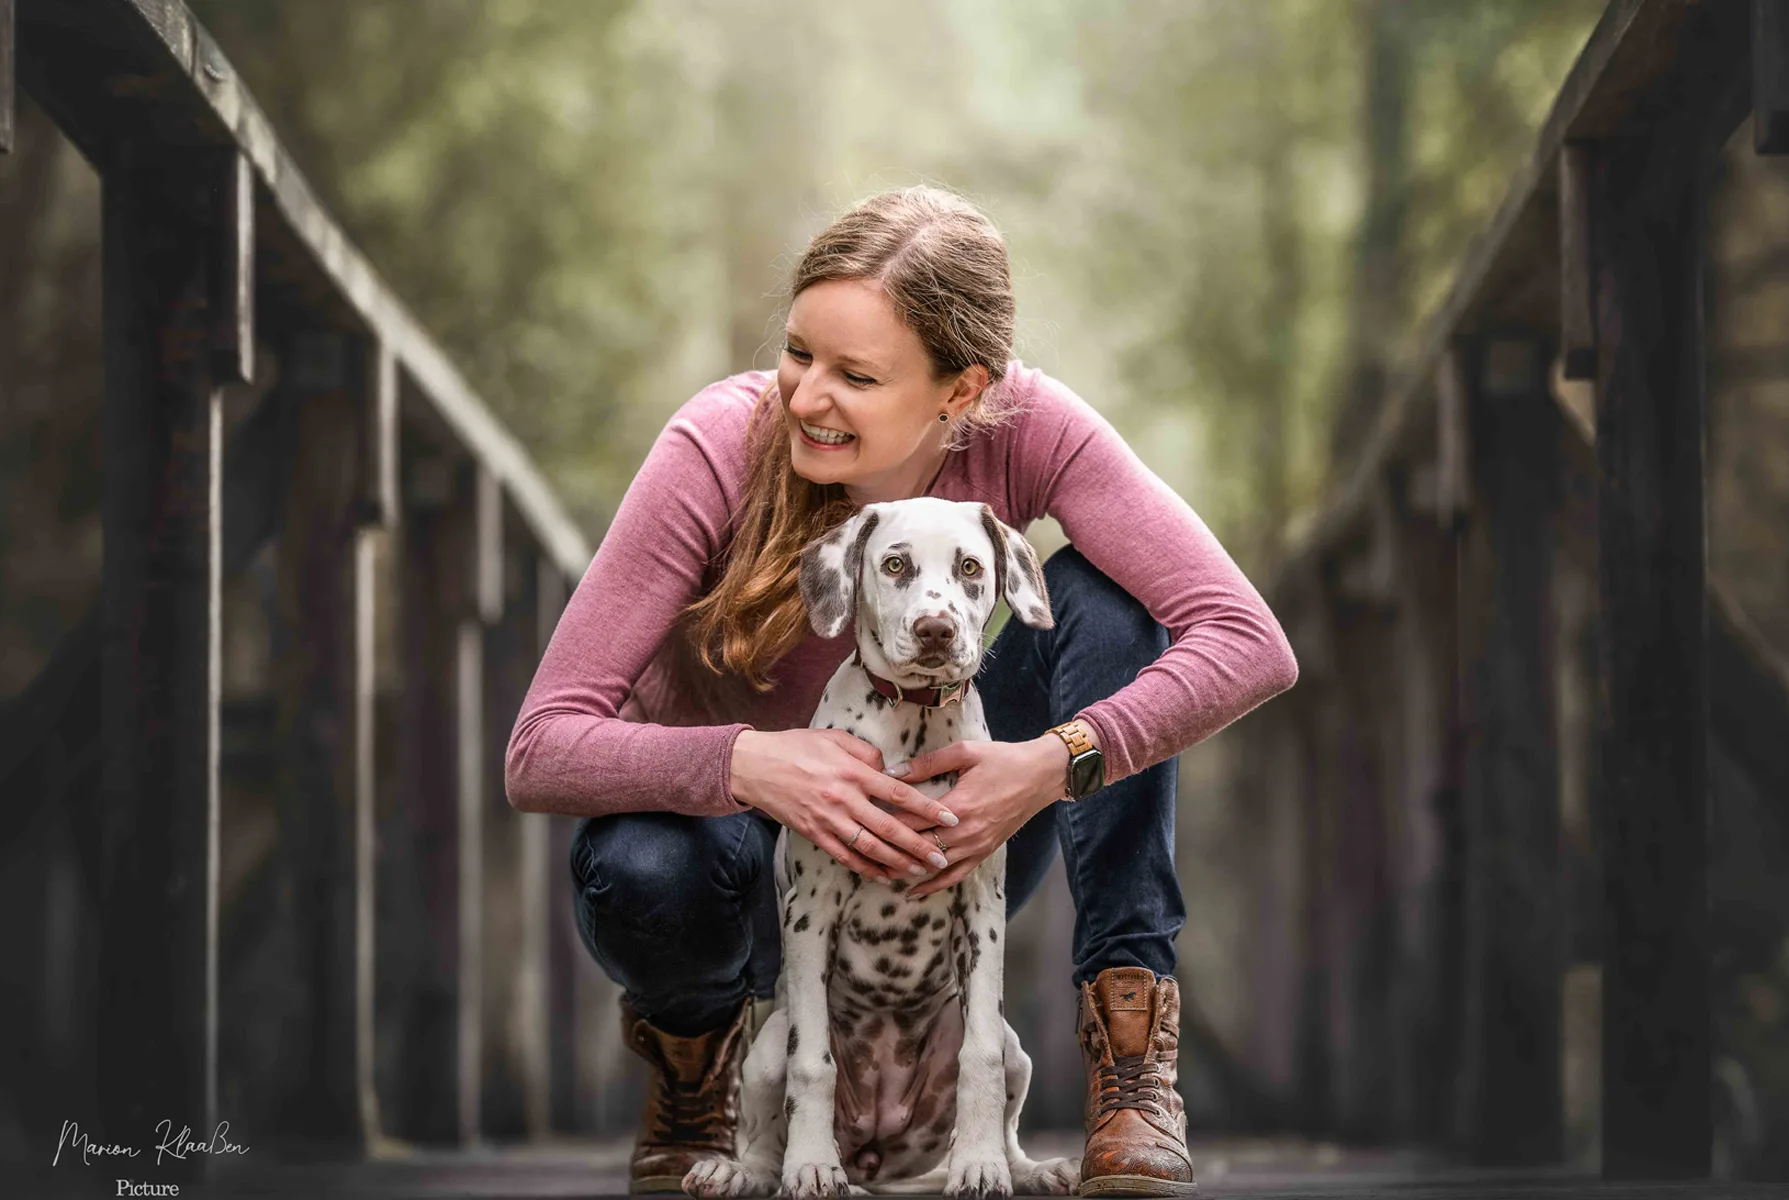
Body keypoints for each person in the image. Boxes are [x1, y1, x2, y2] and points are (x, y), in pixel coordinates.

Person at [505, 185, 1298, 1197]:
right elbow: (540, 748)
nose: (803, 396)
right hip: (742, 875)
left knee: (1113, 600)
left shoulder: (1028, 429)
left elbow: (1248, 640)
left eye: (857, 375)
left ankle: (1132, 1063)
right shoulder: (715, 446)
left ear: (961, 391)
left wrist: (1050, 765)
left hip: (950, 821)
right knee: (644, 861)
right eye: (799, 352)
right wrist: (752, 762)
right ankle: (696, 1065)